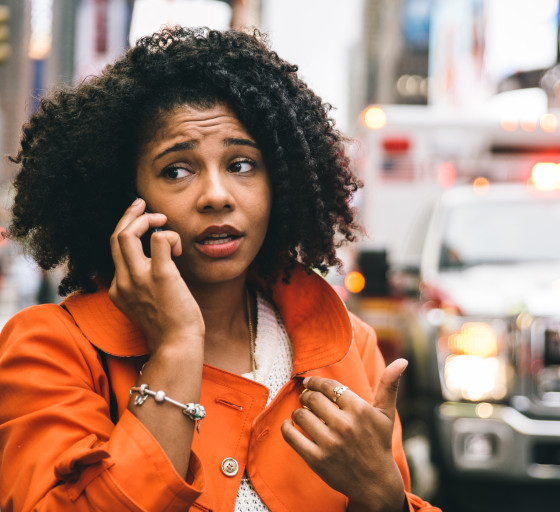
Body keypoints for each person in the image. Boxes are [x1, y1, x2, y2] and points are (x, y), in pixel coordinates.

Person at [0, 26, 440, 512]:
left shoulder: (347, 347)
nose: (216, 195)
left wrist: (384, 496)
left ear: (280, 182)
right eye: (178, 170)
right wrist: (177, 347)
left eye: (242, 164)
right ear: (124, 197)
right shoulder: (50, 347)